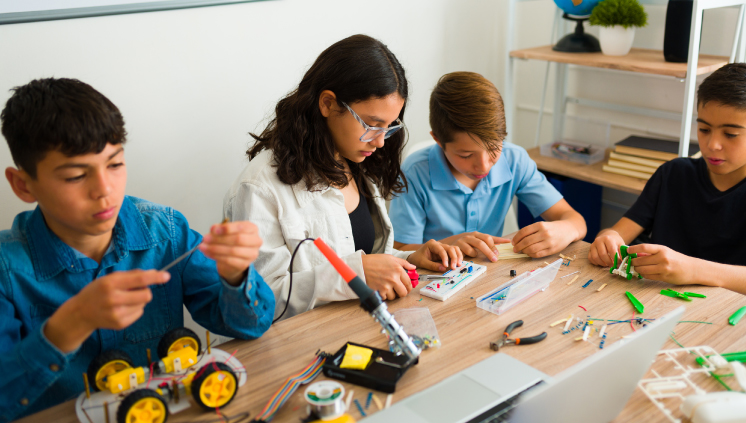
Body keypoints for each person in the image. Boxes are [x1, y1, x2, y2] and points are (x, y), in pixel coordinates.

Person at [0, 78, 275, 421]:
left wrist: (236, 275)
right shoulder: (7, 270)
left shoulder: (166, 232)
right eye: (74, 176)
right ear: (23, 185)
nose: (104, 190)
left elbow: (252, 326)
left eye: (114, 164)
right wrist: (72, 323)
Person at [224, 35, 461, 321]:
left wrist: (407, 259)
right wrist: (355, 273)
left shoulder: (354, 161)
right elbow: (259, 304)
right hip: (302, 349)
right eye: (372, 125)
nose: (380, 142)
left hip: (362, 325)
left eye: (388, 128)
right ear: (328, 104)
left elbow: (362, 254)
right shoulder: (260, 188)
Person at [390, 72, 587, 259]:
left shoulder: (515, 160)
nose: (483, 166)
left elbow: (574, 220)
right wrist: (449, 245)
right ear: (438, 140)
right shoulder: (414, 173)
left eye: (494, 148)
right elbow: (399, 250)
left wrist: (565, 229)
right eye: (466, 155)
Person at [589, 63, 746, 294]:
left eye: (730, 134)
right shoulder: (673, 174)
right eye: (704, 129)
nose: (712, 145)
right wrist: (608, 239)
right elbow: (617, 233)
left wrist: (693, 269)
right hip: (654, 305)